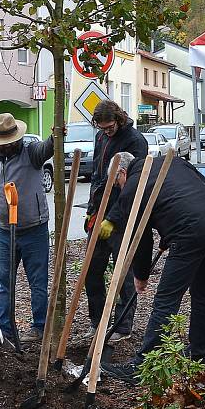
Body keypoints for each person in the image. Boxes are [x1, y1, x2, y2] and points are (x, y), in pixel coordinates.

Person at [99, 155, 205, 384]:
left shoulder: (133, 187)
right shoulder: (170, 161)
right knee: (203, 295)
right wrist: (168, 230)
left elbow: (140, 239)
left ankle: (144, 366)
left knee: (166, 299)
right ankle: (199, 352)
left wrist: (140, 276)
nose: (119, 187)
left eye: (116, 183)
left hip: (189, 233)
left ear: (121, 173)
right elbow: (204, 187)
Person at [0, 113, 54, 345]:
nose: (4, 147)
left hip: (33, 228)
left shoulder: (32, 152)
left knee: (37, 281)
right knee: (5, 281)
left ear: (17, 139)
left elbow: (49, 146)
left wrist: (57, 132)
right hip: (5, 230)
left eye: (8, 142)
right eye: (0, 143)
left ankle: (39, 328)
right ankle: (5, 330)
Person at [84, 100, 148, 341]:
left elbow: (132, 185)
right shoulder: (101, 138)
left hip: (122, 216)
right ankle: (97, 321)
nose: (106, 131)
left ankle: (122, 326)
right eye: (101, 128)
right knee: (92, 271)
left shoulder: (135, 141)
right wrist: (92, 210)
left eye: (109, 127)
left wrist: (112, 218)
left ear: (119, 119)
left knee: (123, 273)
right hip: (98, 213)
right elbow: (98, 177)